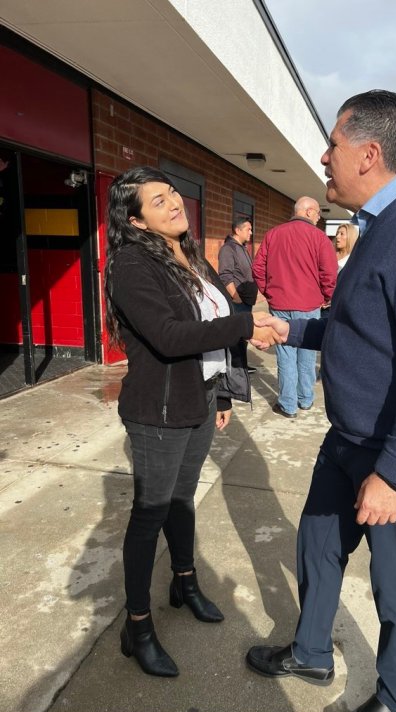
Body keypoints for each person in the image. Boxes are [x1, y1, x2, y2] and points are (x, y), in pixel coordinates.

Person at [246, 91, 396, 712]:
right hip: (348, 436)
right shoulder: (379, 228)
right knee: (318, 545)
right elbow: (358, 330)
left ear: (369, 154)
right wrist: (288, 330)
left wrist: (395, 473)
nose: (324, 158)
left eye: (334, 146)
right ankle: (313, 651)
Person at [104, 166, 279, 678]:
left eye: (173, 193)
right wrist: (249, 323)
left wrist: (222, 391)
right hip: (157, 412)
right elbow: (171, 336)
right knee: (149, 515)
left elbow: (211, 329)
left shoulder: (189, 255)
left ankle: (185, 582)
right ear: (135, 221)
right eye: (158, 201)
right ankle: (137, 626)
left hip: (198, 401)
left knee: (182, 500)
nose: (174, 203)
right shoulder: (131, 263)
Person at [252, 196, 337, 418]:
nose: (319, 217)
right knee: (306, 355)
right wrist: (329, 296)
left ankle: (288, 404)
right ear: (308, 212)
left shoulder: (273, 234)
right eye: (318, 213)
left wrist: (269, 291)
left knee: (285, 356)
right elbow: (329, 273)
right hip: (308, 304)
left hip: (280, 303)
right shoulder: (319, 238)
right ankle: (305, 399)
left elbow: (258, 268)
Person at [218, 215, 259, 372]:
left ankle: (242, 365)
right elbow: (225, 275)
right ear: (237, 230)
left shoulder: (242, 248)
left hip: (245, 302)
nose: (251, 232)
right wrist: (236, 297)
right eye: (248, 229)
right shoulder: (228, 249)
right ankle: (235, 368)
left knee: (243, 335)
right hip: (237, 302)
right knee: (236, 335)